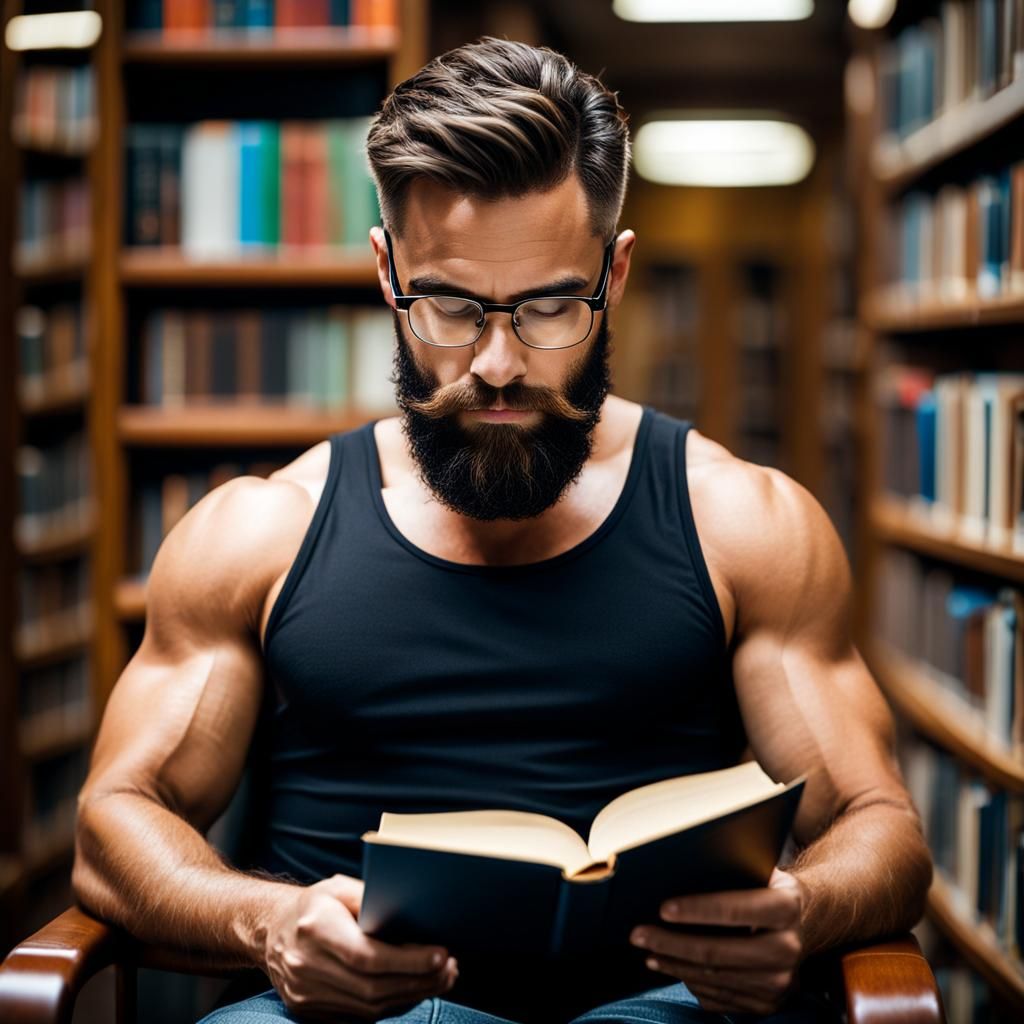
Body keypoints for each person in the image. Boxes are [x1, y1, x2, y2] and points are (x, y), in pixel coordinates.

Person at [71, 35, 932, 1024]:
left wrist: (804, 911)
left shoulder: (743, 521)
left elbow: (882, 827)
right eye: (448, 305)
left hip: (658, 1009)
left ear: (613, 273)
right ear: (387, 269)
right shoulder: (261, 533)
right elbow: (114, 820)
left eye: (550, 306)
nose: (496, 363)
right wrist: (267, 922)